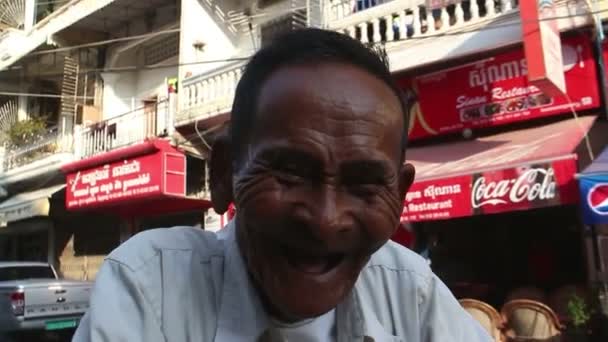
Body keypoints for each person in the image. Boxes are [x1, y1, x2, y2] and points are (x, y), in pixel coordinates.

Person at [73, 28, 490, 341]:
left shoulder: (409, 291)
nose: (326, 221)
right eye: (290, 173)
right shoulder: (151, 285)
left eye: (363, 185)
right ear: (224, 174)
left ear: (398, 195)